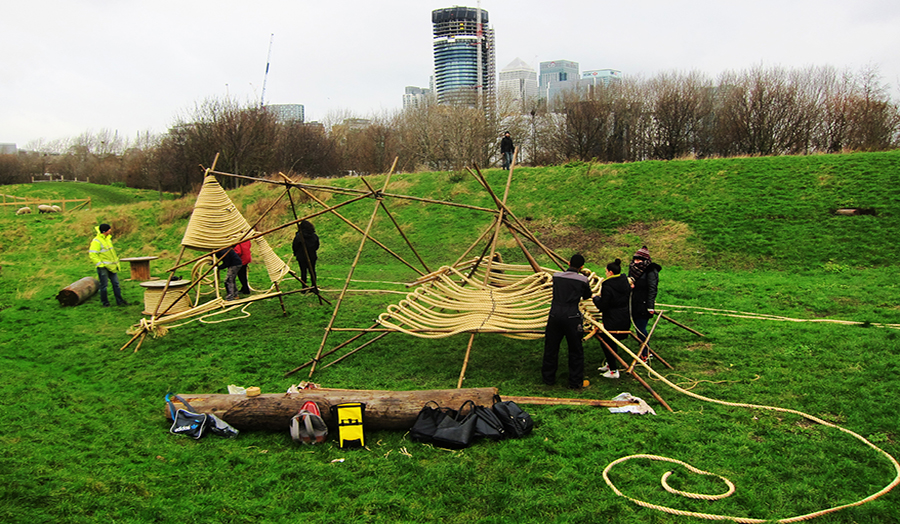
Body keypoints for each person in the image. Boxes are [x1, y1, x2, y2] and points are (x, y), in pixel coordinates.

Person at [542, 254, 592, 389]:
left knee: (551, 347)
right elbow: (587, 295)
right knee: (575, 350)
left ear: (569, 263)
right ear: (582, 267)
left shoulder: (557, 276)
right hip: (572, 316)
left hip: (555, 314)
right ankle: (575, 382)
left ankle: (548, 378)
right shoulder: (583, 280)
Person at [593, 259, 632, 379]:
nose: (605, 273)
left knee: (607, 342)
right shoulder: (624, 281)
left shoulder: (607, 285)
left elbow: (604, 305)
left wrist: (595, 299)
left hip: (612, 318)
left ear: (610, 272)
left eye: (606, 271)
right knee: (612, 341)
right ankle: (611, 364)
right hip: (624, 317)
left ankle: (614, 370)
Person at [629, 246, 662, 361]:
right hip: (633, 302)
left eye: (639, 260)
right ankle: (643, 350)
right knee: (637, 327)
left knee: (641, 328)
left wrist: (650, 306)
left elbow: (652, 288)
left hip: (643, 303)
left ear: (645, 260)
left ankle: (645, 353)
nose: (636, 262)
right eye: (635, 259)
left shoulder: (651, 271)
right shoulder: (632, 269)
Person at [88, 223, 129, 307]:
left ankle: (120, 301)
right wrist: (100, 265)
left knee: (116, 284)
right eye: (109, 229)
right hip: (103, 267)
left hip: (112, 267)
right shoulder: (96, 241)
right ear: (105, 231)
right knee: (104, 286)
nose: (111, 230)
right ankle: (105, 303)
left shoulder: (108, 239)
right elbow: (92, 254)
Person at [292, 220, 320, 291]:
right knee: (312, 271)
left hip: (302, 256)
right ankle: (314, 286)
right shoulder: (314, 236)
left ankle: (304, 287)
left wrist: (296, 252)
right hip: (312, 256)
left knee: (303, 271)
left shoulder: (299, 236)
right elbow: (317, 245)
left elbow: (295, 245)